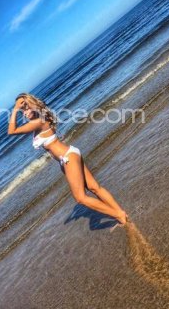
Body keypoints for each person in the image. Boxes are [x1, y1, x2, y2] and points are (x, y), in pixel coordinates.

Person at [8, 93, 128, 229]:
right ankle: (121, 216)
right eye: (22, 110)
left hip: (68, 157)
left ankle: (118, 214)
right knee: (95, 188)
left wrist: (15, 109)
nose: (24, 112)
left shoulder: (38, 122)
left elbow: (12, 131)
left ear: (32, 104)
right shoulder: (40, 118)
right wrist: (22, 107)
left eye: (26, 107)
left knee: (80, 198)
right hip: (69, 154)